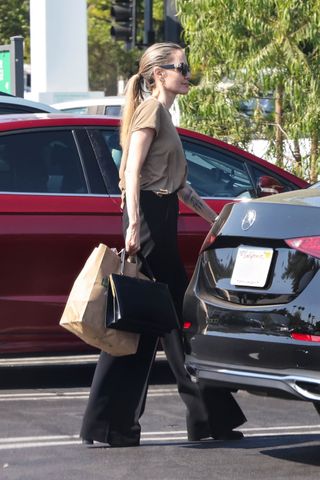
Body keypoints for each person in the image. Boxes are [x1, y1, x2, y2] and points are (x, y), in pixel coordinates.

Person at [80, 42, 246, 447]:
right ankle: (206, 416)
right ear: (159, 74)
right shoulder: (151, 110)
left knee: (150, 323)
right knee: (168, 320)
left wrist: (215, 219)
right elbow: (132, 171)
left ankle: (115, 423)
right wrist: (134, 224)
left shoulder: (164, 116)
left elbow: (180, 187)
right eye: (182, 67)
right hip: (150, 223)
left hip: (161, 216)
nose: (188, 74)